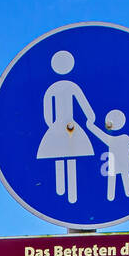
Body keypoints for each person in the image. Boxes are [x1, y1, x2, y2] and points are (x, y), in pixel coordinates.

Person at [36, 50, 96, 204]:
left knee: (63, 158)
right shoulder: (70, 86)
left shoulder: (53, 88)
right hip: (69, 126)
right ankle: (68, 194)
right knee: (69, 158)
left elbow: (47, 113)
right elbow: (85, 106)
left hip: (62, 127)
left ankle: (65, 192)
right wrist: (91, 118)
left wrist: (52, 127)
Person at [86, 109, 129, 201]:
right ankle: (117, 196)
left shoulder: (114, 139)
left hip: (118, 163)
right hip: (118, 163)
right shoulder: (120, 138)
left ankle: (114, 197)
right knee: (119, 177)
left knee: (118, 178)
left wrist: (90, 125)